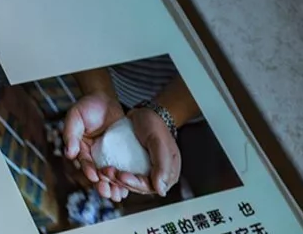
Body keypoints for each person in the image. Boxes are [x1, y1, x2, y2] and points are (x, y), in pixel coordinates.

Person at [63, 58, 202, 203]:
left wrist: (164, 116)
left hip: (190, 103)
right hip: (119, 88)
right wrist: (99, 91)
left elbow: (210, 63)